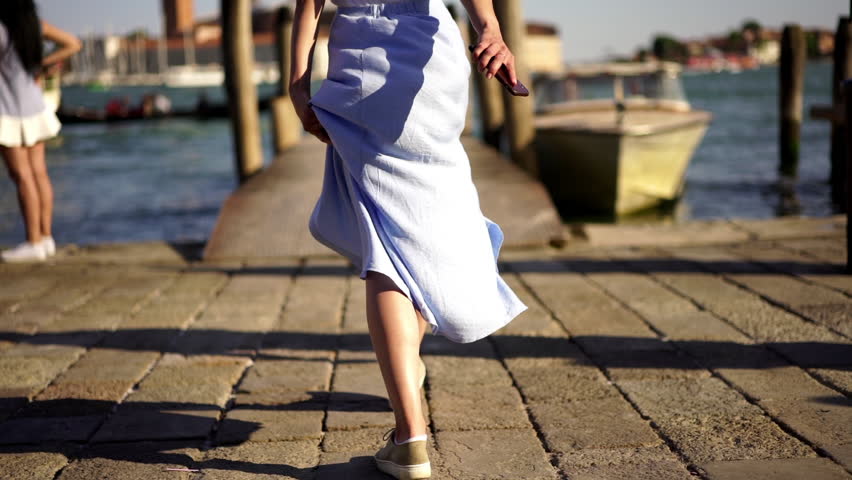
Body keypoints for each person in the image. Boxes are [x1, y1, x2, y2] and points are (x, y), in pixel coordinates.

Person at [291, 0, 527, 477]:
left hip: (361, 67)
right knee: (425, 221)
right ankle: (407, 378)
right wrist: (491, 30)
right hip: (430, 63)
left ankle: (410, 435)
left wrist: (298, 88)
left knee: (384, 240)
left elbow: (309, 7)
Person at [0, 0, 80, 262]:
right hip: (35, 105)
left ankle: (33, 241)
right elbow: (73, 43)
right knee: (39, 174)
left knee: (22, 176)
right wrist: (42, 63)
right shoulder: (34, 26)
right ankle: (45, 239)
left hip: (7, 108)